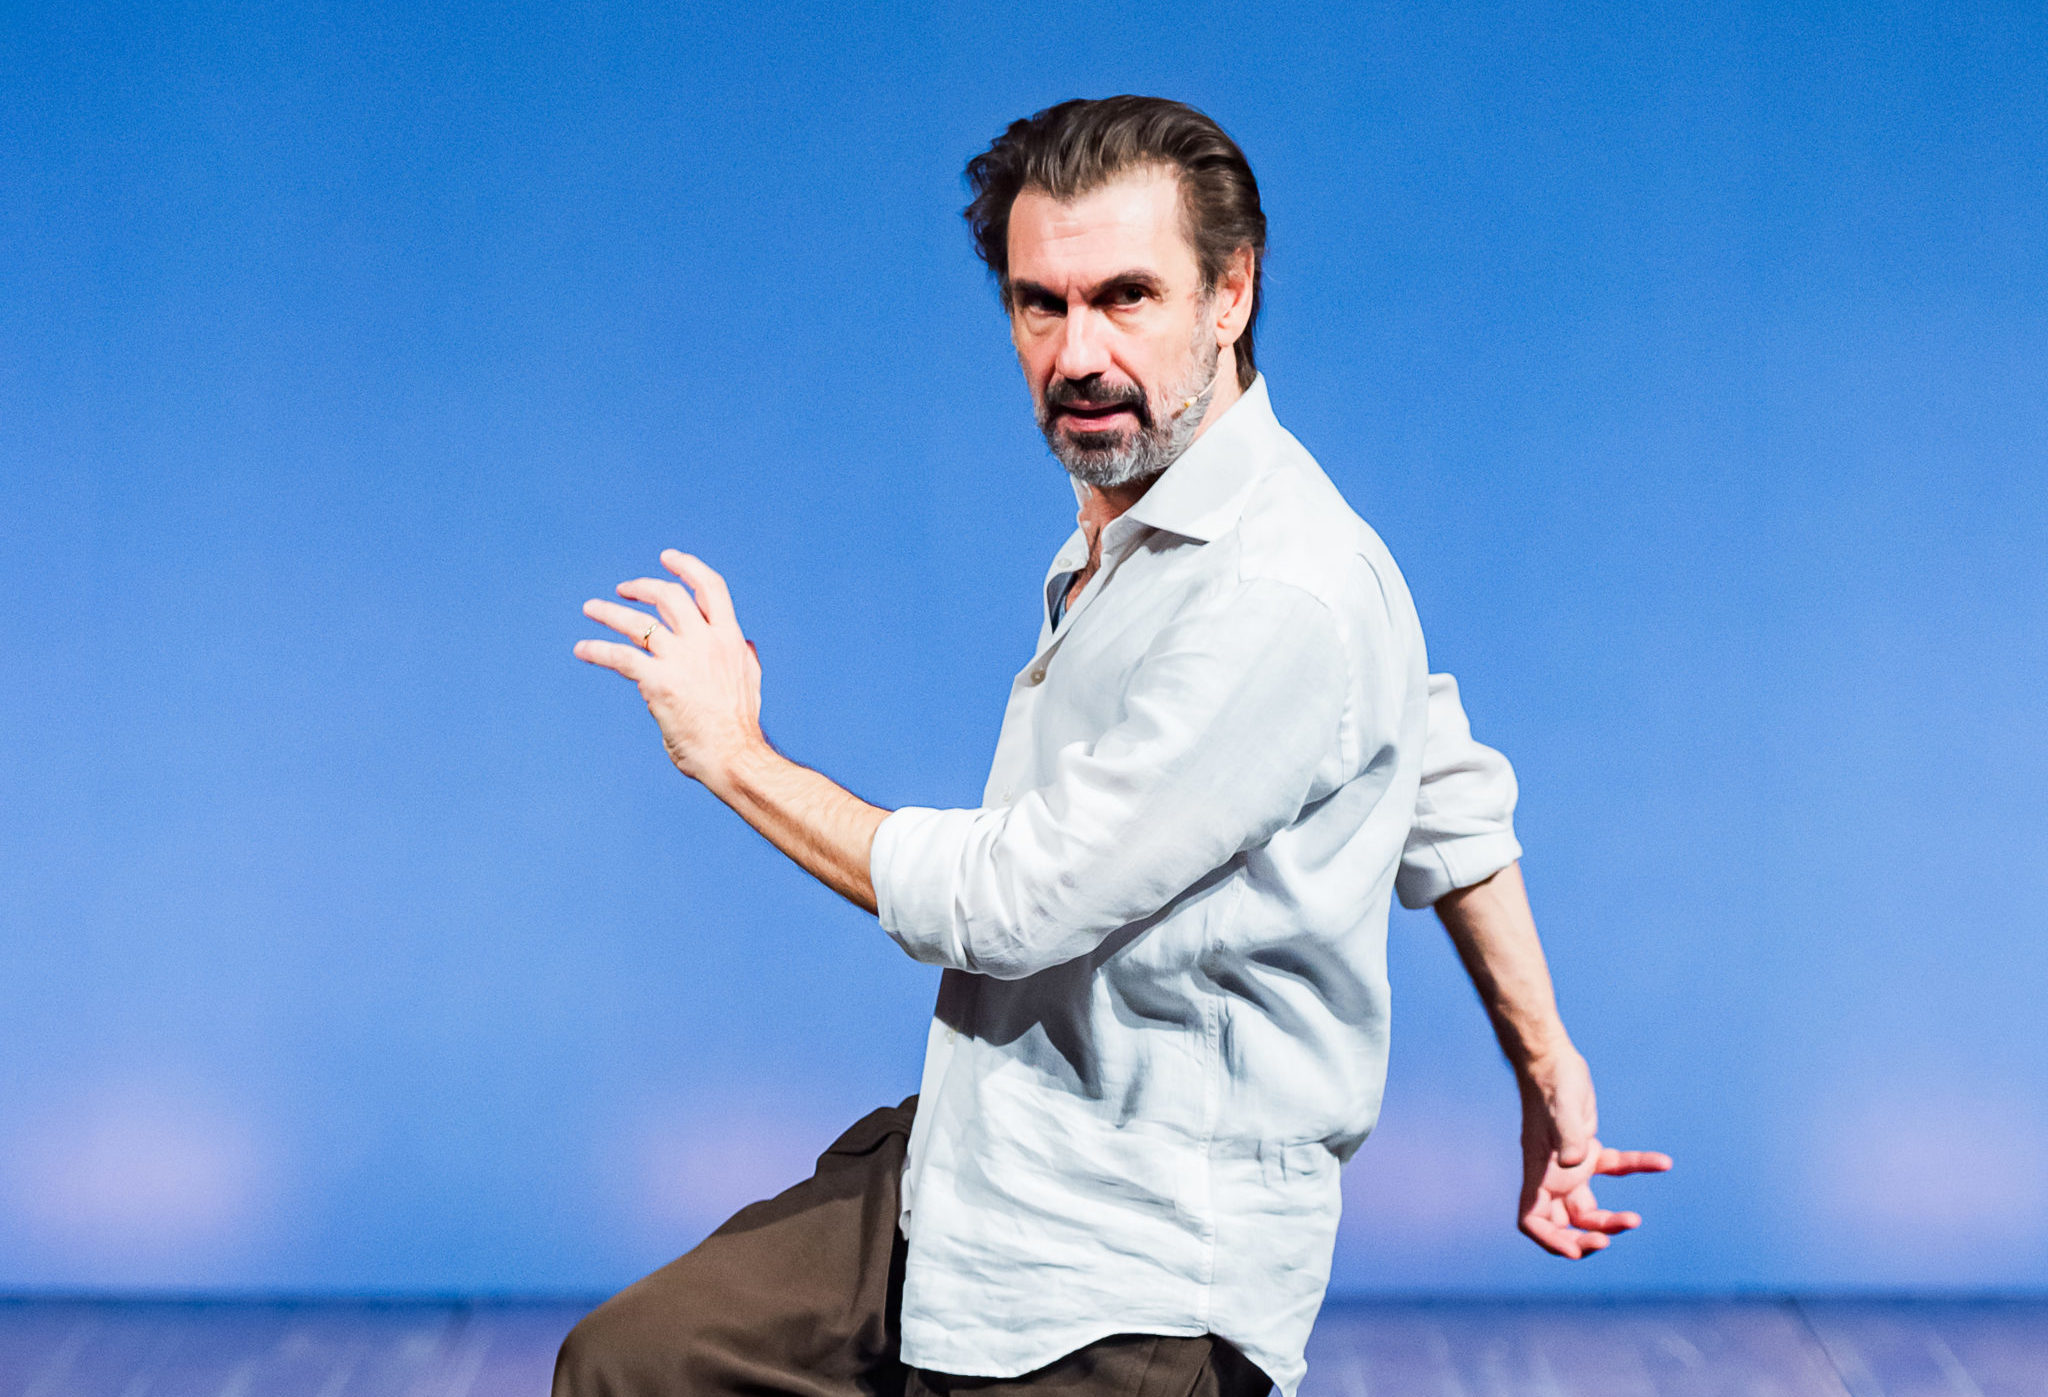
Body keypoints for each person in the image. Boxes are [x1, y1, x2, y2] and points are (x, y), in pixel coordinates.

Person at [558, 96, 1669, 1397]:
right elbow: (1436, 777)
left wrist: (735, 755)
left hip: (1133, 1272)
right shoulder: (1145, 526)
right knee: (637, 1367)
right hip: (976, 1163)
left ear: (1230, 293)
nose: (1078, 352)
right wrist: (1547, 1065)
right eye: (1042, 304)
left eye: (1126, 297)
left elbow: (1014, 905)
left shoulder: (1278, 588)